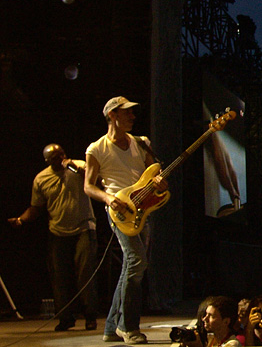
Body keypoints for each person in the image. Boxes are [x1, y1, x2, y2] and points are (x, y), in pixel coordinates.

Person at [84, 96, 168, 344]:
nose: (133, 116)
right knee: (136, 261)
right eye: (127, 112)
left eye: (133, 112)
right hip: (119, 212)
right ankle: (128, 326)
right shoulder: (96, 149)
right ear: (112, 115)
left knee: (132, 267)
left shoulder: (141, 143)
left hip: (142, 209)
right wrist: (108, 198)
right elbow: (89, 186)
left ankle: (111, 327)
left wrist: (159, 182)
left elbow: (153, 175)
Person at [8, 144, 98, 332]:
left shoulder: (78, 165)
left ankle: (90, 316)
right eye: (56, 157)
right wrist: (20, 220)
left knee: (84, 273)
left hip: (83, 227)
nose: (61, 158)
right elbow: (36, 208)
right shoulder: (41, 179)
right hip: (58, 231)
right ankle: (65, 317)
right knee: (59, 277)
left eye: (62, 154)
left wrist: (74, 167)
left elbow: (94, 180)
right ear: (48, 161)